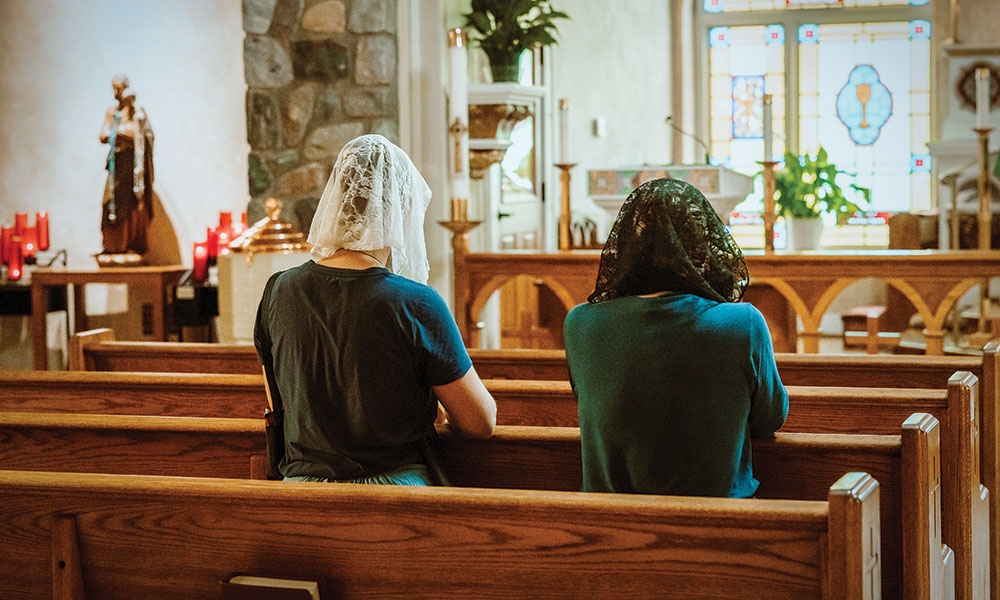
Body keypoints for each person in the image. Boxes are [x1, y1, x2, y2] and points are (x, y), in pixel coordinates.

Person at [254, 134, 497, 486]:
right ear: (402, 210)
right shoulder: (416, 302)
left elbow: (280, 398)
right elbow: (480, 422)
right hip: (396, 499)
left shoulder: (279, 289)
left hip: (300, 498)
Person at [563, 178, 788, 498]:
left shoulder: (579, 324)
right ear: (706, 255)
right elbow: (770, 419)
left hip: (610, 531)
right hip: (721, 532)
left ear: (626, 252)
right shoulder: (743, 325)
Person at [99, 74, 154, 256]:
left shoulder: (137, 112)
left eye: (119, 89)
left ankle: (130, 245)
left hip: (133, 166)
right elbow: (104, 135)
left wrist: (121, 133)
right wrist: (122, 132)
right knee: (109, 201)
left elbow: (144, 136)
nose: (116, 93)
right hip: (117, 163)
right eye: (113, 89)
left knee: (132, 204)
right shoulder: (112, 112)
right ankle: (113, 246)